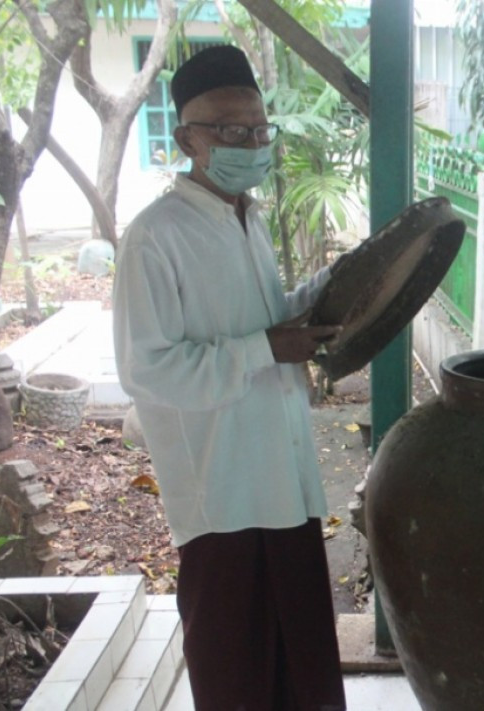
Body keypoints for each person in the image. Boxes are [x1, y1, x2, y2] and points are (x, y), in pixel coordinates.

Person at [113, 45, 346, 711]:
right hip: (222, 495)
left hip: (285, 479)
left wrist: (336, 282)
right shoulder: (155, 237)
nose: (249, 140)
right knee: (238, 674)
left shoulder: (248, 218)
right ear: (187, 138)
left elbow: (266, 325)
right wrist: (266, 348)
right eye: (229, 129)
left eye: (258, 127)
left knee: (304, 667)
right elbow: (147, 370)